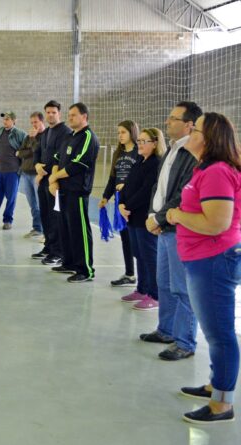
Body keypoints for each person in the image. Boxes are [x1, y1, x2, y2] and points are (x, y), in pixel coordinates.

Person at [166, 112, 241, 424]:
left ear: (207, 138)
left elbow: (216, 223)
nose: (188, 131)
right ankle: (216, 384)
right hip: (204, 259)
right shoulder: (206, 169)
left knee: (220, 332)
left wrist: (176, 215)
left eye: (194, 129)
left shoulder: (217, 172)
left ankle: (222, 404)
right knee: (214, 331)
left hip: (213, 261)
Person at [139, 101, 202, 361]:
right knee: (164, 284)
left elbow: (182, 194)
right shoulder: (173, 150)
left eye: (174, 118)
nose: (168, 122)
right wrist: (153, 216)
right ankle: (166, 330)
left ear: (189, 124)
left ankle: (185, 341)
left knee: (181, 288)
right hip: (163, 227)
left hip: (178, 230)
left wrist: (160, 219)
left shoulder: (192, 154)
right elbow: (160, 186)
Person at [47, 103, 99, 283]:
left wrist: (53, 178)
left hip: (77, 192)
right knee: (65, 228)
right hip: (62, 191)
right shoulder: (69, 136)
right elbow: (56, 158)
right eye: (69, 115)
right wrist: (54, 179)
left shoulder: (88, 137)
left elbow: (77, 165)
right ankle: (69, 262)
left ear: (84, 117)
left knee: (79, 230)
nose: (70, 118)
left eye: (73, 115)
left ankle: (85, 270)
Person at [118, 128, 164, 311]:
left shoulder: (155, 164)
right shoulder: (139, 161)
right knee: (138, 253)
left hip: (144, 216)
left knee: (149, 256)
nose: (140, 145)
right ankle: (142, 289)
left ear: (154, 143)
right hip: (132, 216)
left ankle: (155, 294)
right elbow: (127, 185)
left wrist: (127, 206)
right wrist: (121, 204)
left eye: (144, 141)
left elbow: (146, 192)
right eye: (139, 141)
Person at [99, 121, 139, 287]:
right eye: (118, 132)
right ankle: (129, 274)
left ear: (131, 133)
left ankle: (145, 276)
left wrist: (127, 186)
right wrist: (105, 197)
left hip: (134, 201)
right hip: (119, 201)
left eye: (123, 132)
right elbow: (112, 178)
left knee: (138, 240)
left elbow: (140, 178)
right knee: (125, 238)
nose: (120, 135)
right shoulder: (118, 153)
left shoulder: (138, 153)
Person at [33, 100, 72, 264]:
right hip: (43, 180)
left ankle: (58, 252)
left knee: (55, 216)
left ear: (59, 114)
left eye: (53, 112)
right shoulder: (45, 132)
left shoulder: (65, 132)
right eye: (48, 112)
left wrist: (45, 171)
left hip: (55, 181)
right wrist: (37, 166)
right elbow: (38, 152)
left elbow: (61, 157)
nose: (50, 115)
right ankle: (48, 247)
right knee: (45, 214)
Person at [17, 113, 45, 238]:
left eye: (36, 122)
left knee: (41, 204)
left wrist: (33, 140)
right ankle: (37, 228)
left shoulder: (44, 136)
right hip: (25, 174)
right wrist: (30, 148)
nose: (34, 125)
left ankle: (46, 232)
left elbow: (39, 152)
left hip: (37, 175)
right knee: (32, 204)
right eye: (32, 122)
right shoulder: (28, 137)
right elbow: (20, 153)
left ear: (41, 121)